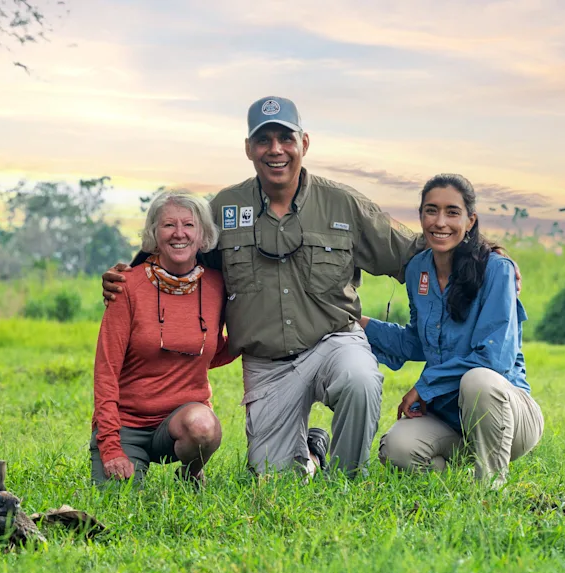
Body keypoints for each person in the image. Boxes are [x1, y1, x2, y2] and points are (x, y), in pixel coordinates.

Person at [104, 96, 436, 478]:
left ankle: (345, 481)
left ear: (304, 143)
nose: (275, 149)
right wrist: (125, 277)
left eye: (285, 138)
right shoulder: (226, 208)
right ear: (249, 149)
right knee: (273, 479)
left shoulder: (343, 204)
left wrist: (479, 252)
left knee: (360, 378)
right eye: (264, 140)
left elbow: (413, 256)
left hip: (333, 341)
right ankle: (312, 451)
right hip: (267, 365)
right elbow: (175, 249)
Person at [362, 174, 543, 487]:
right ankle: (451, 486)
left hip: (508, 415)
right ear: (420, 216)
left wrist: (425, 386)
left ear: (470, 220)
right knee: (397, 449)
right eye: (431, 211)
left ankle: (488, 490)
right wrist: (362, 325)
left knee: (479, 380)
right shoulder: (419, 268)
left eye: (452, 212)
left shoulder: (497, 270)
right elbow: (417, 342)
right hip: (451, 418)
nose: (440, 222)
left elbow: (494, 360)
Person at [91, 191, 237, 487]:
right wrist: (110, 446)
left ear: (203, 236)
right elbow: (106, 371)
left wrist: (247, 340)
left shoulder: (217, 285)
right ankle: (124, 455)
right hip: (126, 426)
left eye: (189, 225)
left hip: (179, 423)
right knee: (119, 508)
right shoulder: (125, 285)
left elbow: (214, 350)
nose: (179, 234)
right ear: (154, 235)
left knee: (203, 426)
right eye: (169, 225)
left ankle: (190, 472)